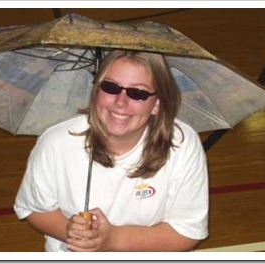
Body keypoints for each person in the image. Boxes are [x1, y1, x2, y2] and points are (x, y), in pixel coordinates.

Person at [14, 49, 209, 252]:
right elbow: (32, 209)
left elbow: (187, 232)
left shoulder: (182, 144)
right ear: (96, 90)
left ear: (156, 104)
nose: (121, 102)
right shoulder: (56, 142)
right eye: (111, 87)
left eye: (138, 93)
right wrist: (72, 230)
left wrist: (112, 239)